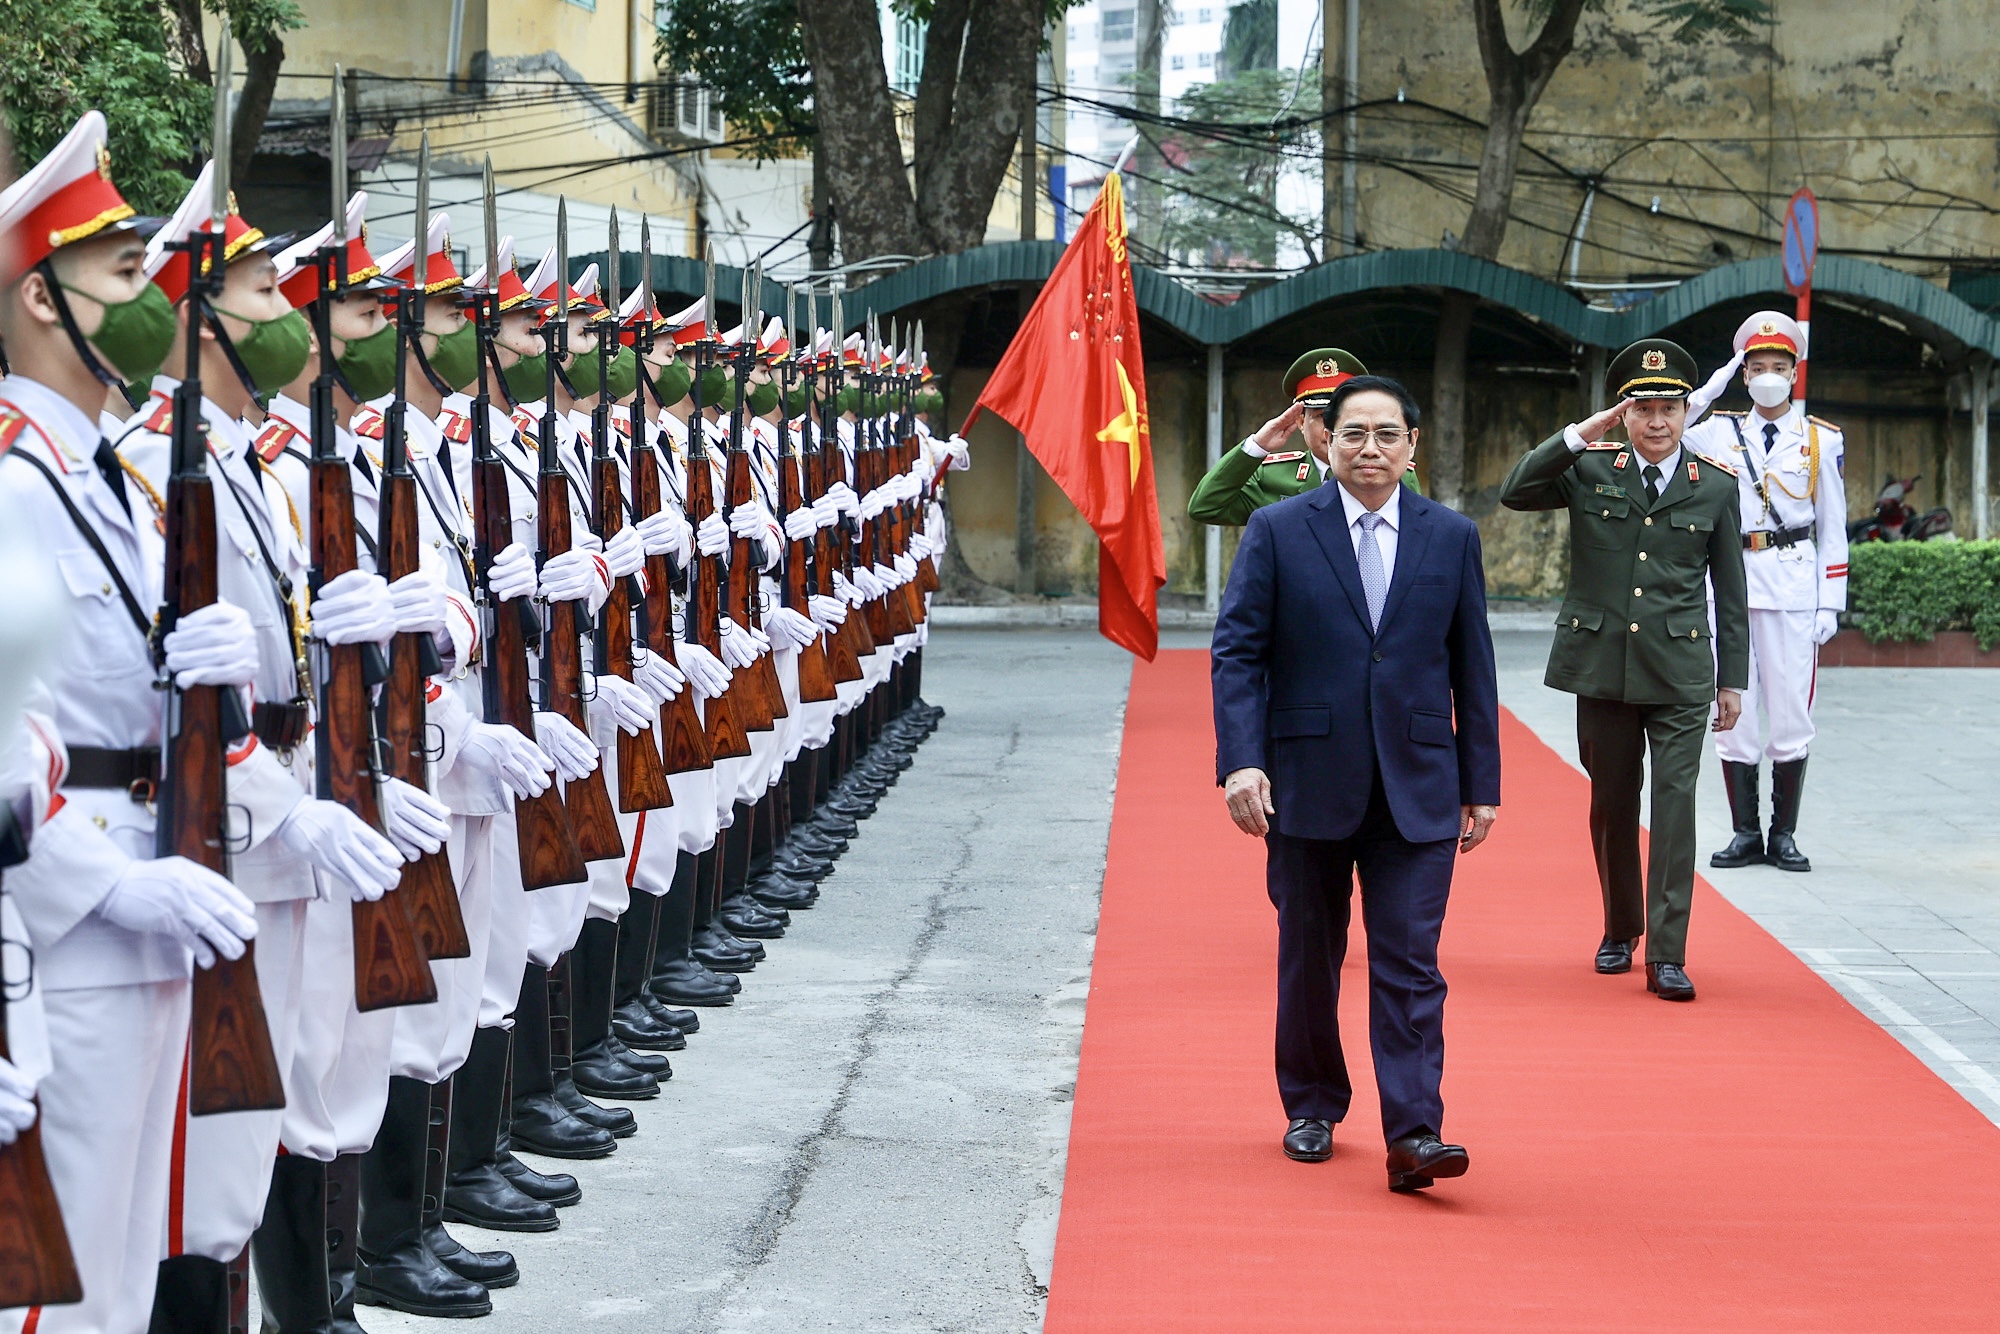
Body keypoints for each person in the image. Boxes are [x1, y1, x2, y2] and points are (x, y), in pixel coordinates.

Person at [1210, 374, 1500, 1192]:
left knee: (1411, 962)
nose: (1370, 449)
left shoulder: (1450, 536)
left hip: (1419, 785)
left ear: (1414, 447)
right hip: (1304, 779)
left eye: (1387, 435)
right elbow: (1237, 653)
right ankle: (1311, 1103)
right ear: (1325, 443)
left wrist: (1483, 781)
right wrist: (1241, 759)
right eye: (1353, 435)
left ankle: (1415, 1133)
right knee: (1310, 954)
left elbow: (1471, 667)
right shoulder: (1276, 530)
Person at [1499, 339, 1749, 1002]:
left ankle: (1668, 953)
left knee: (1674, 807)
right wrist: (1583, 434)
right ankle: (1619, 928)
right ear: (1624, 413)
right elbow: (1516, 490)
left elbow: (1732, 591)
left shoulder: (1715, 486)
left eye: (1670, 407)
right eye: (1644, 408)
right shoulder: (1590, 469)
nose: (1658, 421)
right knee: (1612, 804)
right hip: (1602, 664)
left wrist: (1733, 680)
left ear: (1687, 412)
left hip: (1680, 672)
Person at [1681, 312, 1847, 873]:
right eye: (1757, 367)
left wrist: (1831, 601)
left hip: (1795, 589)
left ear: (1795, 373)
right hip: (1729, 587)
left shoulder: (1820, 440)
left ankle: (1784, 834)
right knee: (1736, 711)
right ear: (1744, 374)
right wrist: (1717, 380)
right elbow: (1673, 422)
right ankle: (1745, 832)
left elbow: (1834, 524)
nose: (1768, 375)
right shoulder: (1719, 432)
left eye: (1779, 366)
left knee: (1792, 711)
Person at [1187, 348, 1371, 525]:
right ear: (1300, 421)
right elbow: (1205, 507)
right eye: (1322, 416)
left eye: (1344, 416)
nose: (1332, 429)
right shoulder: (1270, 478)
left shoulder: (1389, 474)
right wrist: (1257, 446)